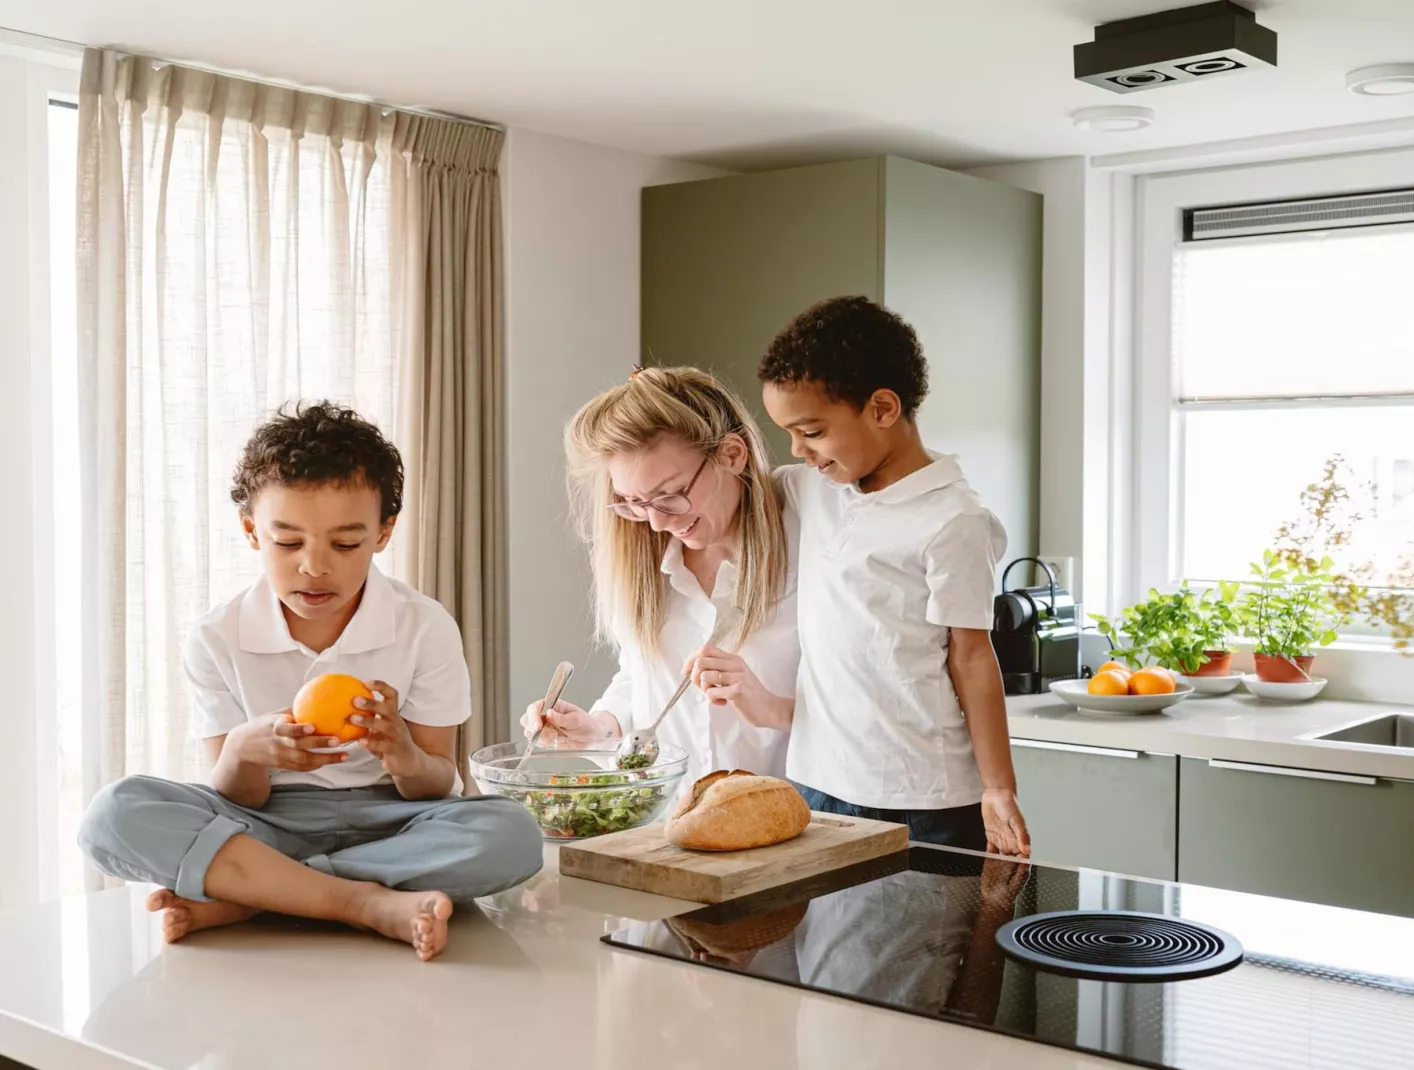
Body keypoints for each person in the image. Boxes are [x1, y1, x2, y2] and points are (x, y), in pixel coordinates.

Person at [78, 402, 543, 961]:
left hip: (392, 823)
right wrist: (247, 753)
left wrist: (400, 752)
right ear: (252, 531)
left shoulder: (424, 626)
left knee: (513, 833)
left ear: (383, 532)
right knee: (113, 813)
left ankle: (258, 895)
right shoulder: (216, 636)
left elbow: (435, 782)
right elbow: (234, 792)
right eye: (289, 542)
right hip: (265, 820)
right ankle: (360, 903)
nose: (315, 566)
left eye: (346, 544)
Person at [757, 295, 1031, 856]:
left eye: (811, 430)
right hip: (814, 783)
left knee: (922, 943)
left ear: (883, 409)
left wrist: (998, 788)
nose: (798, 450)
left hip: (920, 797)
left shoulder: (954, 519)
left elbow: (972, 656)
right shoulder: (814, 488)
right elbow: (728, 476)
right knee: (823, 944)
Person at [522, 367, 796, 786]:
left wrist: (770, 704)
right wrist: (600, 728)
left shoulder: (806, 537)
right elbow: (641, 676)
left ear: (732, 454)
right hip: (671, 820)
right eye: (632, 503)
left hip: (792, 811)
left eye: (670, 495)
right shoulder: (647, 563)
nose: (654, 523)